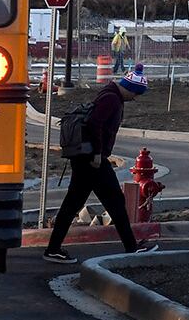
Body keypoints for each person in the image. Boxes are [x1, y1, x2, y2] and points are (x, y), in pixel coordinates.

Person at [44, 64, 157, 263]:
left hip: (87, 159)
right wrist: (97, 153)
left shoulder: (110, 94)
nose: (135, 98)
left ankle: (54, 249)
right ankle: (130, 247)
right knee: (109, 202)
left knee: (87, 203)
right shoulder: (112, 99)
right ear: (130, 88)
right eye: (136, 93)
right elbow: (95, 123)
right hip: (92, 160)